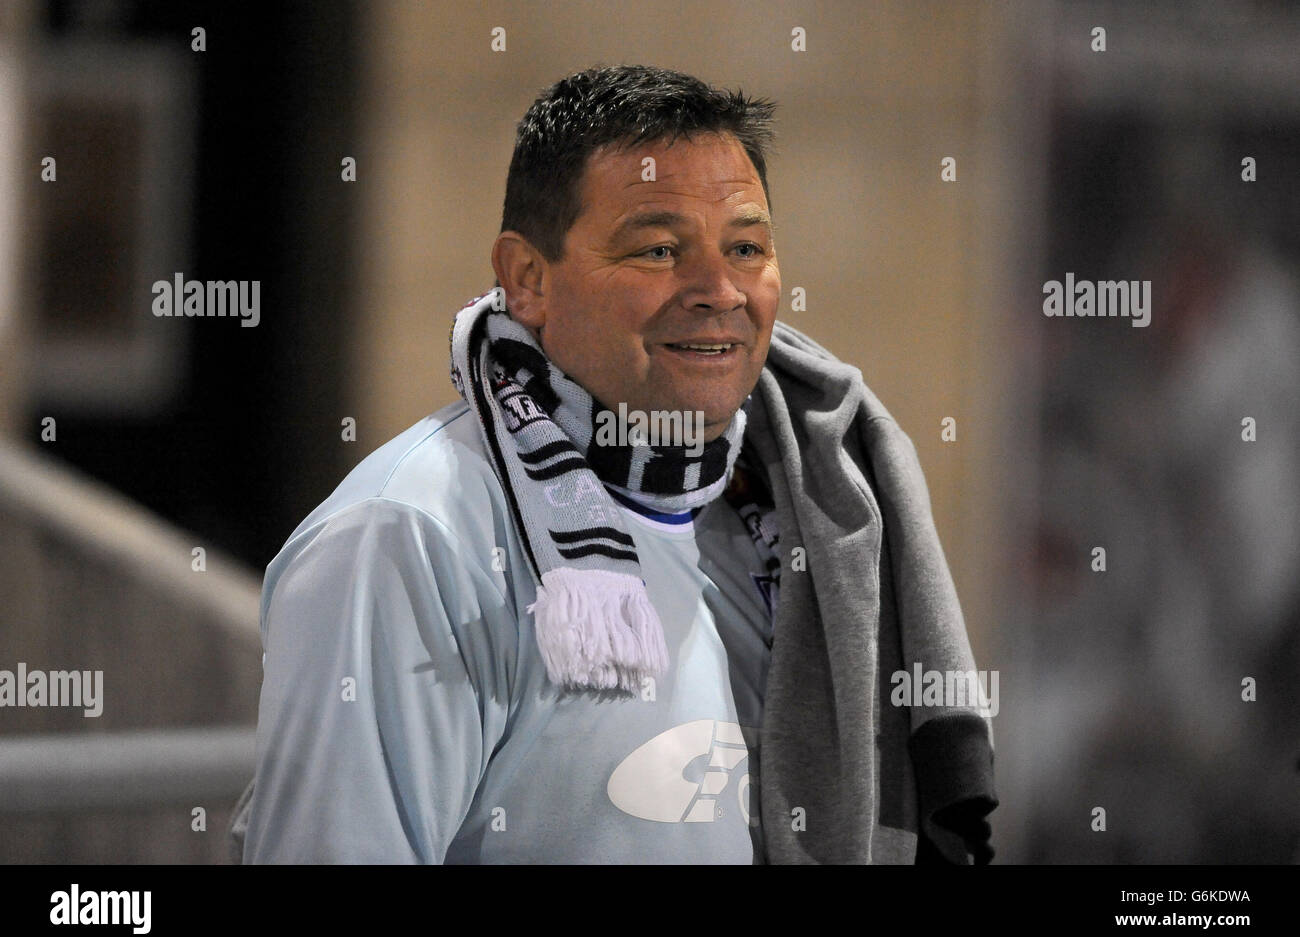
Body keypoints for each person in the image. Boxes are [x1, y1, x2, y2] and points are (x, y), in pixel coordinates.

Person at [235, 64, 996, 864]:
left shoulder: (803, 519)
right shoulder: (410, 537)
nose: (718, 289)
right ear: (526, 278)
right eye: (659, 249)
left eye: (746, 247)